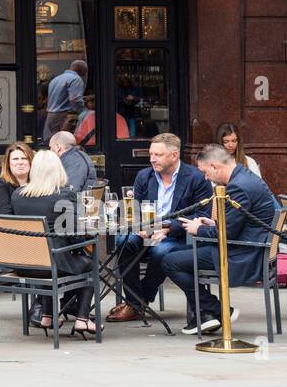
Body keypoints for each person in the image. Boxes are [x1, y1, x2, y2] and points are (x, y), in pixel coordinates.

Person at [163, 144, 276, 335]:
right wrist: (212, 223)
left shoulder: (238, 187)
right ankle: (206, 315)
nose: (206, 178)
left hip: (241, 254)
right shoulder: (245, 177)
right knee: (173, 253)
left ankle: (216, 310)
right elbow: (235, 225)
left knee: (169, 261)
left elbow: (225, 235)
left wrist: (197, 228)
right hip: (246, 246)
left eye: (205, 172)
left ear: (215, 166)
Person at [106, 132, 212, 323]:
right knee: (123, 240)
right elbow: (135, 209)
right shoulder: (144, 176)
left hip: (179, 236)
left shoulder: (196, 178)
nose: (152, 159)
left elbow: (202, 215)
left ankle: (137, 302)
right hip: (148, 230)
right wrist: (138, 225)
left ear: (174, 155)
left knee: (160, 251)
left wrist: (168, 228)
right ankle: (136, 302)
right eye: (151, 154)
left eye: (158, 155)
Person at [9, 150, 99, 336]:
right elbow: (76, 236)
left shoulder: (18, 195)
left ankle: (48, 316)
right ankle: (82, 318)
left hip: (24, 264)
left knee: (45, 254)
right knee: (90, 263)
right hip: (51, 264)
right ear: (58, 170)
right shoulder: (64, 195)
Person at [43, 60, 87, 141]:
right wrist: (85, 111)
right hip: (63, 116)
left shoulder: (56, 79)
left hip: (50, 115)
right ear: (83, 70)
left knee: (53, 142)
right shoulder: (76, 79)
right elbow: (75, 100)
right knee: (64, 143)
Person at [0, 143, 32, 214]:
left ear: (31, 161)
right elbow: (4, 214)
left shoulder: (37, 182)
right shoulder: (1, 183)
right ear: (8, 163)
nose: (20, 162)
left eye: (24, 158)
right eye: (15, 159)